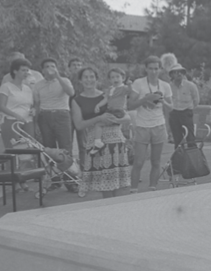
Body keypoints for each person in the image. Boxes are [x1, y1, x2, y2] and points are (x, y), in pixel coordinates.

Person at [70, 67, 130, 198]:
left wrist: (119, 119)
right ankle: (108, 212)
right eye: (85, 77)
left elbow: (127, 116)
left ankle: (122, 213)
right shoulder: (77, 100)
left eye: (92, 76)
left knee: (119, 184)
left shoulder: (108, 94)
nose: (89, 80)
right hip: (97, 142)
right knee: (105, 184)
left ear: (97, 79)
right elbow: (79, 125)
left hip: (115, 139)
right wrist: (98, 118)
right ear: (80, 80)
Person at [128, 56, 171, 192]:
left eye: (156, 69)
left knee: (156, 161)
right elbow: (129, 105)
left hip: (159, 125)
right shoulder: (138, 83)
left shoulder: (165, 85)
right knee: (138, 162)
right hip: (142, 126)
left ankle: (152, 189)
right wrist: (145, 99)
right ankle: (133, 190)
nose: (153, 71)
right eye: (151, 68)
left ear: (160, 69)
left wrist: (163, 102)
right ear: (146, 69)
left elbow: (171, 107)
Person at [32, 58, 75, 156]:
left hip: (62, 114)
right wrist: (36, 122)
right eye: (47, 67)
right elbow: (37, 103)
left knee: (65, 145)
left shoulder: (64, 81)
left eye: (53, 66)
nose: (50, 69)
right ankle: (52, 169)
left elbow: (71, 93)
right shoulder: (38, 85)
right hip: (44, 115)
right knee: (48, 147)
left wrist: (58, 77)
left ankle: (67, 169)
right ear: (43, 71)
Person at [159, 55, 201, 152]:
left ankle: (193, 160)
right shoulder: (168, 87)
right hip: (174, 114)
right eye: (176, 72)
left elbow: (196, 100)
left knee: (190, 139)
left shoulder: (191, 86)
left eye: (181, 72)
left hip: (186, 113)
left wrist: (189, 109)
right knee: (177, 140)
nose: (179, 74)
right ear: (172, 74)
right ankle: (179, 162)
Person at [0, 58, 38, 136]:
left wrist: (33, 110)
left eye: (27, 70)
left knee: (30, 146)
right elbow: (2, 106)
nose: (26, 73)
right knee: (12, 146)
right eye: (23, 70)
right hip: (12, 120)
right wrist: (15, 115)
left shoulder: (28, 88)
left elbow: (31, 105)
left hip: (28, 121)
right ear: (15, 71)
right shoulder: (6, 87)